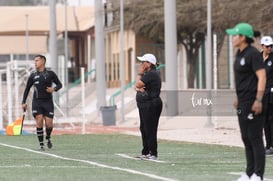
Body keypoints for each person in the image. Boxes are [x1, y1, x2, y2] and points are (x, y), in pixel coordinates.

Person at [226, 23, 266, 181]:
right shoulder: (239, 53)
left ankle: (258, 174)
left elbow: (262, 77)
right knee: (245, 137)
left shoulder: (253, 53)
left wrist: (258, 99)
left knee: (255, 137)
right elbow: (242, 79)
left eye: (235, 35)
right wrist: (237, 97)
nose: (232, 38)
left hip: (253, 102)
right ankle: (249, 173)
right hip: (242, 102)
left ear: (243, 37)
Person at [21, 55, 62, 151]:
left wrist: (54, 89)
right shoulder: (33, 75)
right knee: (39, 121)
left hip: (48, 102)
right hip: (37, 102)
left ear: (43, 62)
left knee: (49, 124)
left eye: (37, 60)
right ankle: (41, 145)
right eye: (34, 60)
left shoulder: (51, 74)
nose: (35, 62)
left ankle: (48, 137)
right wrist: (23, 102)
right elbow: (27, 89)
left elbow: (60, 84)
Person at [135, 53, 162, 160]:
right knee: (144, 128)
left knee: (150, 128)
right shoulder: (148, 74)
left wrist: (140, 73)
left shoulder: (151, 74)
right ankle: (146, 151)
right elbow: (137, 87)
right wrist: (139, 87)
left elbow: (137, 84)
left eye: (144, 62)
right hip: (145, 104)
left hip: (151, 104)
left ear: (149, 63)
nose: (142, 64)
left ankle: (153, 153)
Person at [260, 36, 273, 155]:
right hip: (262, 94)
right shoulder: (258, 58)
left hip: (272, 93)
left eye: (271, 46)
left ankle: (272, 146)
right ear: (262, 46)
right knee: (264, 120)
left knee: (271, 119)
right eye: (267, 46)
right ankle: (268, 144)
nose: (270, 48)